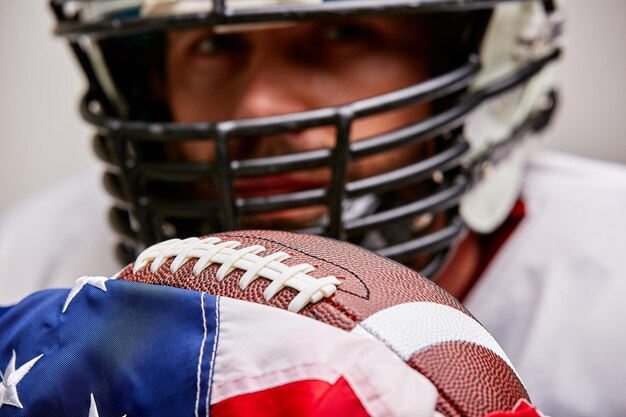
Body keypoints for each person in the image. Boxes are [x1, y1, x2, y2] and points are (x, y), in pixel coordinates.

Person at [0, 0, 625, 415]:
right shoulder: (33, 264)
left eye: (341, 33)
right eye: (214, 45)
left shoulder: (607, 295)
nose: (260, 105)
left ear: (475, 61)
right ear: (146, 82)